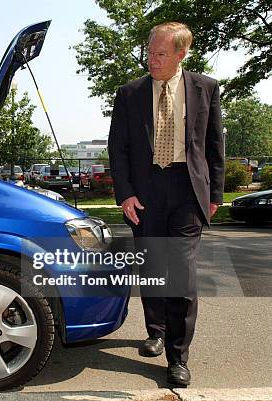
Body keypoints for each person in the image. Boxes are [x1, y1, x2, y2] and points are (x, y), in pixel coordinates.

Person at [108, 22, 224, 386]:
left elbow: (213, 145)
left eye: (160, 53)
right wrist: (126, 193)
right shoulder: (129, 93)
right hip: (144, 191)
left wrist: (215, 194)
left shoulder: (206, 88)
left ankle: (178, 355)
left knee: (182, 274)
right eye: (150, 51)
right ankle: (156, 331)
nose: (152, 59)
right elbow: (119, 148)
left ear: (180, 54)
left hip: (188, 189)